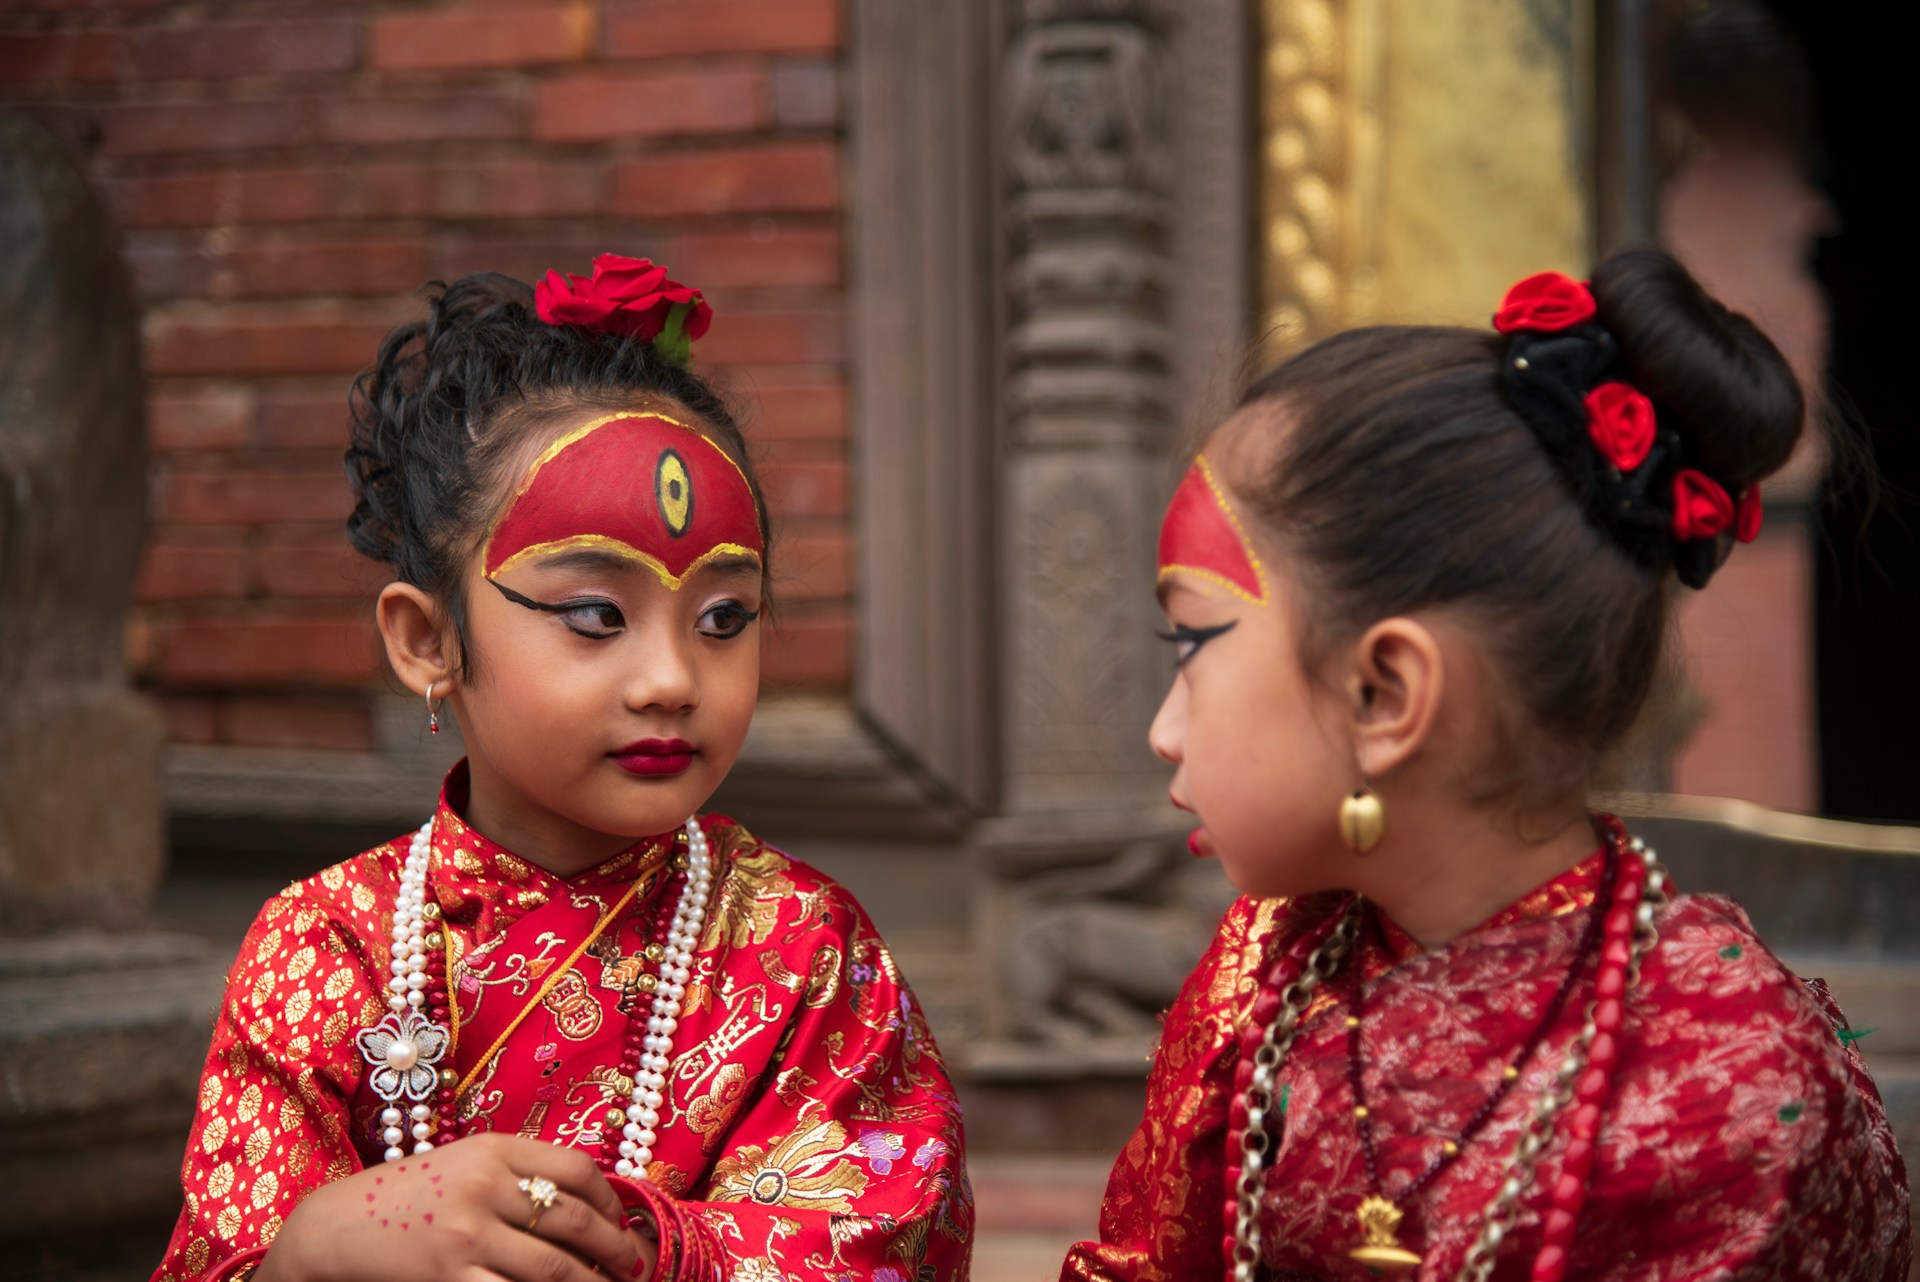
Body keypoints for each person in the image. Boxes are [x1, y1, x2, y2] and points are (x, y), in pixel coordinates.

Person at [1062, 248, 1912, 1281]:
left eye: (1192, 650)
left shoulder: (1722, 1065)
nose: (1165, 728)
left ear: (1386, 696)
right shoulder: (1271, 967)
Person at [152, 255, 972, 1282]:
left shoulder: (802, 949)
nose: (673, 677)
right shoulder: (321, 951)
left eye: (725, 617)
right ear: (426, 640)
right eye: (596, 616)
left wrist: (604, 1239)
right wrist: (318, 1250)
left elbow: (881, 1237)